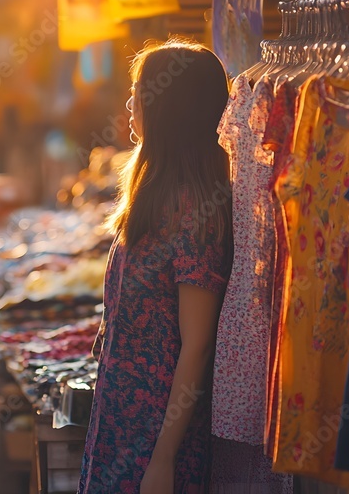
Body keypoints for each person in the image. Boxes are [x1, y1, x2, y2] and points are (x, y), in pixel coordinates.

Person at [79, 39, 234, 493]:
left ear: (171, 106)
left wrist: (163, 458)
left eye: (140, 92)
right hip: (120, 418)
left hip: (156, 433)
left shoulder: (193, 207)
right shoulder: (155, 189)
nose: (129, 103)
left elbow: (197, 344)